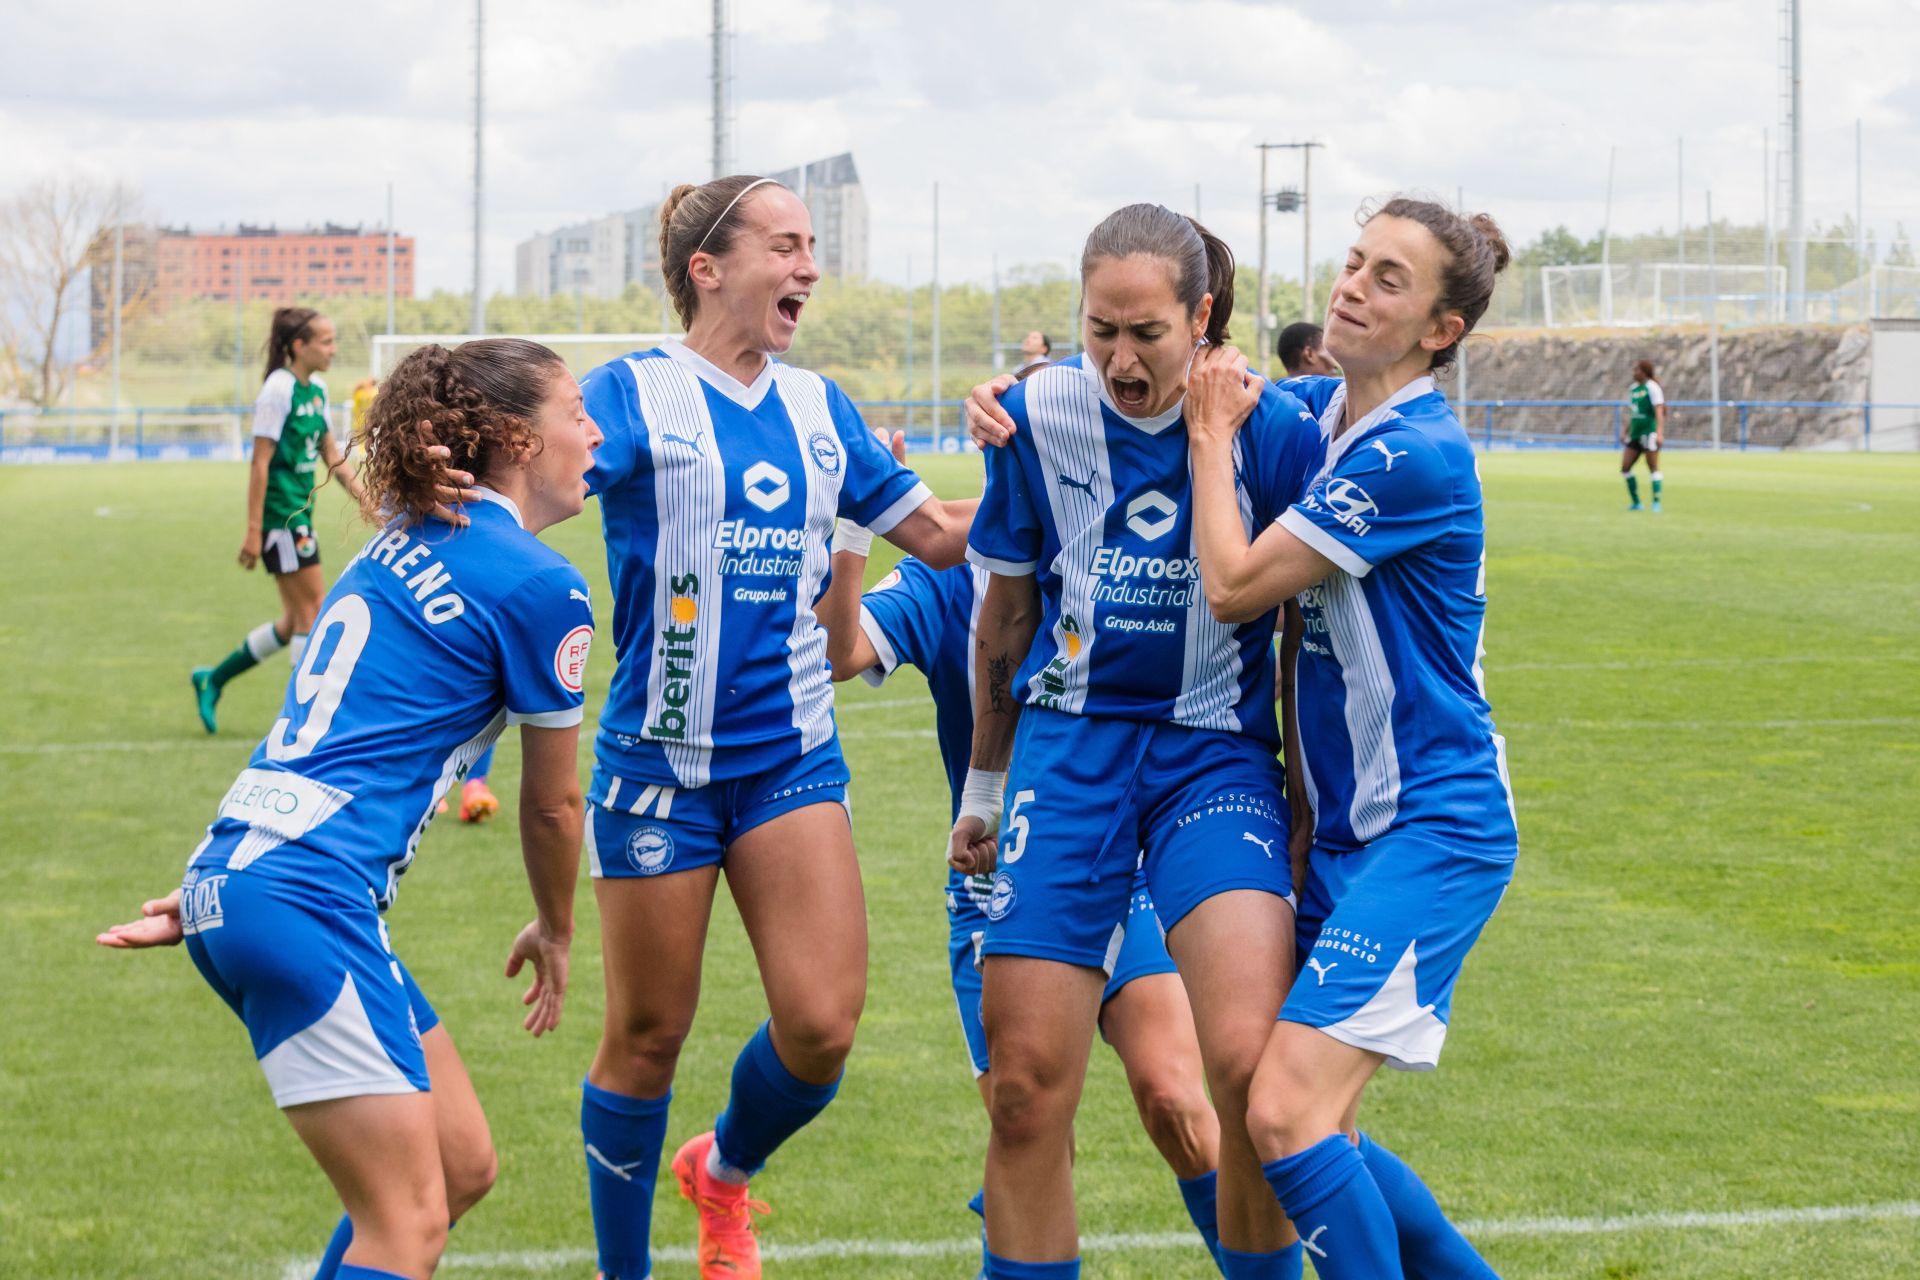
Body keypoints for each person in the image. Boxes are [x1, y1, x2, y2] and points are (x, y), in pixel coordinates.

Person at [98, 337, 603, 1280]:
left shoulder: (398, 536)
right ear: (516, 438)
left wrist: (225, 875)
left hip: (259, 875)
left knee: (458, 1168)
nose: (595, 433)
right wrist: (558, 927)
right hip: (304, 897)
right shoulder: (544, 586)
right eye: (576, 412)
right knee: (408, 1225)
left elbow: (334, 731)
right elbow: (552, 806)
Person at [570, 173, 975, 1280]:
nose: (808, 266)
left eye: (812, 248)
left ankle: (724, 1167)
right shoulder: (632, 393)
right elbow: (541, 485)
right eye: (786, 246)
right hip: (657, 770)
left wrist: (1074, 496)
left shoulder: (820, 408)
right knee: (647, 1037)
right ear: (708, 268)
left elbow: (937, 532)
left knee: (821, 1027)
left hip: (791, 756)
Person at [949, 203, 1324, 1280]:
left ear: (1201, 315)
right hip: (1070, 757)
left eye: (1147, 332)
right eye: (1097, 328)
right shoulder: (1032, 416)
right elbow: (1007, 614)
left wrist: (1305, 797)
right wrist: (982, 783)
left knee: (1249, 1067)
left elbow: (1306, 628)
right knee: (1023, 1088)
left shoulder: (1274, 427)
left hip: (1216, 759)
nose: (1118, 358)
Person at [1182, 197, 1518, 1280]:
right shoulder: (1328, 416)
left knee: (1282, 1111)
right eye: (1353, 262)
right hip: (1346, 831)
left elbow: (1233, 585)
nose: (1351, 287)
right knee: (1327, 1132)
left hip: (1434, 822)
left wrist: (1204, 435)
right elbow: (1215, 392)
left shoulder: (1411, 454)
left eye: (1388, 280)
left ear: (1439, 330)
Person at [815, 506, 1229, 1274]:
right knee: (1034, 1134)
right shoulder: (950, 570)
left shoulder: (1127, 561)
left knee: (1175, 1097)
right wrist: (852, 526)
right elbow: (840, 654)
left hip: (1117, 868)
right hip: (994, 888)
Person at [194, 307, 367, 734]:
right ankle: (298, 724)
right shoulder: (278, 389)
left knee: (294, 621)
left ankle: (212, 679)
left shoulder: (317, 389)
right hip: (283, 519)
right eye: (325, 342)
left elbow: (330, 452)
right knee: (313, 612)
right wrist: (254, 531)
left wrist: (364, 497)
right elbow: (260, 463)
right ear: (298, 346)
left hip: (300, 514)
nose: (333, 349)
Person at [1621, 358, 1665, 511]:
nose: (1634, 373)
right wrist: (1625, 431)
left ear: (1644, 372)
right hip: (1635, 434)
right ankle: (1636, 502)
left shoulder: (1652, 388)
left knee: (1653, 467)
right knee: (1625, 467)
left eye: (1637, 370)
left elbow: (1659, 412)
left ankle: (1656, 502)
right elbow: (1633, 412)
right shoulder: (1633, 389)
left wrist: (1659, 433)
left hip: (1649, 432)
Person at [1275, 321, 1340, 378]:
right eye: (1329, 351)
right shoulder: (1331, 388)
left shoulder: (1274, 389)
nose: (1336, 363)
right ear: (1309, 354)